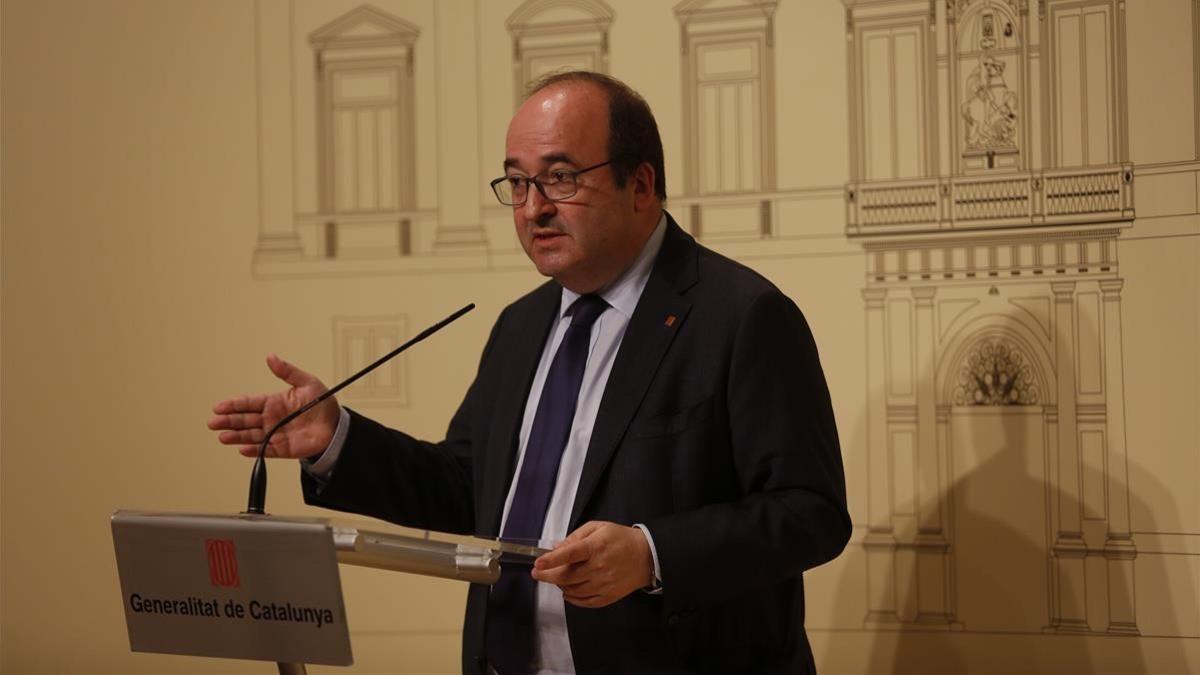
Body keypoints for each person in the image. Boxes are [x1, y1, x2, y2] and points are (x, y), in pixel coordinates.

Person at [209, 71, 850, 675]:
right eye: (517, 184)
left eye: (561, 178)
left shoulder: (741, 316)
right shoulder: (521, 326)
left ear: (642, 184)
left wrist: (652, 553)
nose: (533, 208)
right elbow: (470, 486)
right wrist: (337, 439)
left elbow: (810, 511)